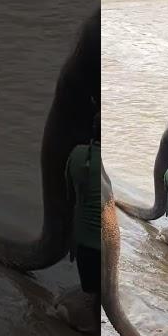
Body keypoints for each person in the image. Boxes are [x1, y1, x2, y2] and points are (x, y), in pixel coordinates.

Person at [65, 113, 101, 313]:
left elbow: (70, 198)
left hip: (82, 244)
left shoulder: (77, 154)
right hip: (105, 246)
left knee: (91, 291)